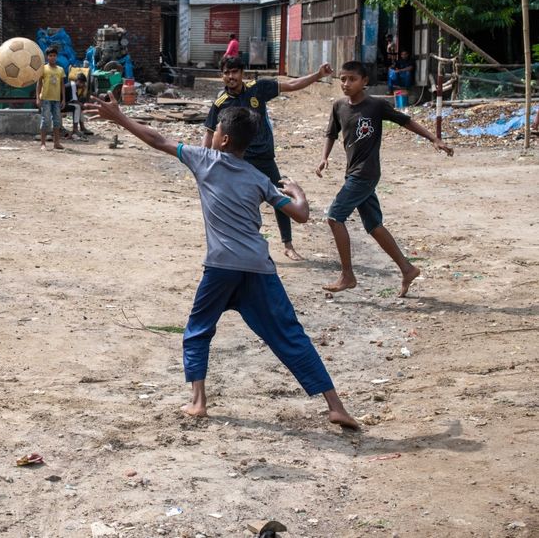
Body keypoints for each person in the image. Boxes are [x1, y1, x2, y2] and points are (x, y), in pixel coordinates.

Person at [85, 92, 360, 430]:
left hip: (220, 267)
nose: (210, 135)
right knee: (290, 334)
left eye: (214, 131)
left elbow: (158, 140)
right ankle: (336, 405)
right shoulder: (259, 179)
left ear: (224, 139)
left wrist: (120, 118)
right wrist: (299, 191)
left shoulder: (204, 160)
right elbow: (301, 215)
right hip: (258, 267)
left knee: (198, 331)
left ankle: (198, 401)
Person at [316, 61, 453, 297]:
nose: (346, 84)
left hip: (366, 173)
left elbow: (406, 121)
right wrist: (324, 157)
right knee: (374, 225)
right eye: (343, 79)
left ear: (364, 82)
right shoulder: (339, 106)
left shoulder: (375, 106)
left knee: (334, 217)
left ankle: (347, 275)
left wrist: (434, 139)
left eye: (352, 79)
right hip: (353, 172)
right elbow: (331, 133)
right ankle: (407, 268)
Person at [203, 55, 333, 261]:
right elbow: (210, 133)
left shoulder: (258, 88)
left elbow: (291, 84)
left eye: (234, 72)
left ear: (242, 73)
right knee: (237, 203)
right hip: (236, 160)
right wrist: (207, 161)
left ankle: (288, 245)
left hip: (263, 157)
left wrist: (318, 75)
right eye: (226, 73)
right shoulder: (221, 103)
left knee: (279, 197)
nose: (231, 76)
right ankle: (236, 245)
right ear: (222, 76)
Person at [35, 47, 66, 150]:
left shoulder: (60, 70)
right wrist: (38, 98)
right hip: (45, 98)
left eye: (54, 55)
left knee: (57, 121)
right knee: (45, 120)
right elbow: (39, 84)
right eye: (50, 55)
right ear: (47, 57)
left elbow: (62, 85)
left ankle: (56, 143)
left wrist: (63, 99)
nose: (52, 57)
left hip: (56, 99)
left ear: (57, 57)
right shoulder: (43, 68)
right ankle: (43, 144)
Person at [64, 73, 94, 139]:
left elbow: (76, 99)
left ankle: (82, 127)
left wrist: (83, 91)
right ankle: (75, 129)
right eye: (82, 83)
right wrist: (83, 106)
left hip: (65, 103)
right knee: (77, 106)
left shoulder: (75, 86)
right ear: (78, 81)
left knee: (78, 106)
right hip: (60, 104)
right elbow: (75, 101)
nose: (83, 85)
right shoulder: (73, 85)